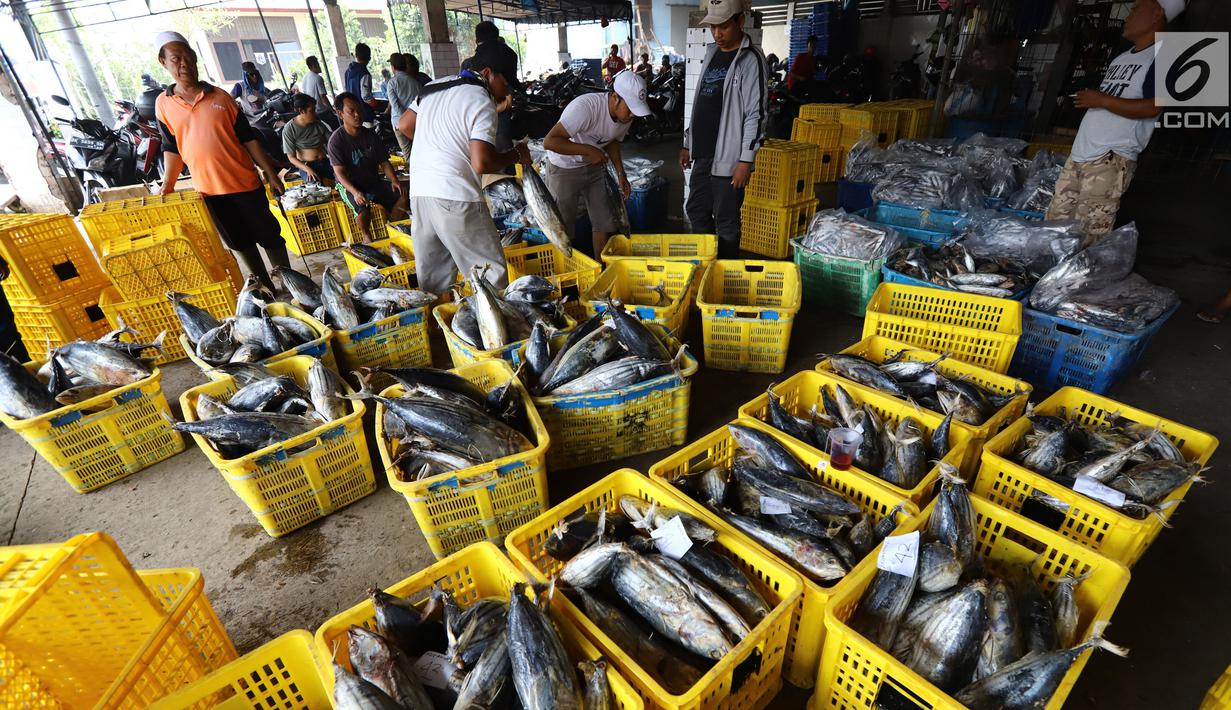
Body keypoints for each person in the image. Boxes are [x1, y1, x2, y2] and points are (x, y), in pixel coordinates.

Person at [153, 31, 291, 292]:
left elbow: (248, 139)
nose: (183, 63)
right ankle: (265, 288)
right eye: (175, 59)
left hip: (244, 182)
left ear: (195, 59)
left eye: (187, 57)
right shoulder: (163, 104)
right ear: (164, 63)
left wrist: (271, 173)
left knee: (269, 234)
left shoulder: (220, 97)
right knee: (238, 242)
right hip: (209, 191)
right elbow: (171, 147)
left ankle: (289, 282)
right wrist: (167, 184)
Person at [397, 42, 530, 296]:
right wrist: (516, 154)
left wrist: (436, 147)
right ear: (489, 73)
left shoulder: (436, 85)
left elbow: (404, 125)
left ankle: (440, 331)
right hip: (456, 197)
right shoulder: (482, 99)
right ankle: (493, 335)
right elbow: (481, 162)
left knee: (433, 282)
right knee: (490, 277)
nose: (507, 89)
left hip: (421, 193)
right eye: (507, 81)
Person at [1045, 0, 1181, 241]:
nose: (1128, 17)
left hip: (1110, 159)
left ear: (1157, 13)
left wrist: (1102, 100)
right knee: (1054, 229)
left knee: (1088, 236)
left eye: (1136, 9)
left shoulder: (1165, 55)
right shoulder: (1121, 58)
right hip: (1082, 154)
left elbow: (1153, 106)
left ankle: (1082, 279)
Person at [680, 0, 768, 258]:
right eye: (713, 27)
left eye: (723, 26)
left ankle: (726, 273)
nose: (717, 33)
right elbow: (701, 103)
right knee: (696, 209)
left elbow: (757, 114)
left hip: (730, 159)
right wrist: (688, 142)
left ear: (740, 22)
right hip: (703, 153)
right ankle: (708, 264)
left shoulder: (751, 60)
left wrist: (745, 160)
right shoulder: (711, 53)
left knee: (727, 220)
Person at [543, 70, 650, 256]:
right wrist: (587, 150)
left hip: (594, 167)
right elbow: (550, 141)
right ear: (615, 97)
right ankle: (564, 273)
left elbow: (613, 141)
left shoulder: (625, 116)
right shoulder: (585, 108)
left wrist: (620, 173)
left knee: (604, 220)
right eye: (630, 108)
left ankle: (600, 268)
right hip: (564, 168)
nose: (633, 114)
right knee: (562, 225)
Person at [328, 92, 408, 243]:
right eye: (351, 111)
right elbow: (339, 173)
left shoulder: (371, 135)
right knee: (363, 208)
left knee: (402, 195)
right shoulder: (336, 140)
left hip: (372, 181)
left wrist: (394, 181)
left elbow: (384, 162)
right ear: (340, 114)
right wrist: (355, 192)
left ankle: (391, 230)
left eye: (359, 109)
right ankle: (366, 235)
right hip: (349, 185)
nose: (357, 114)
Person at [282, 93, 334, 185]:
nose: (315, 113)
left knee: (345, 177)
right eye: (312, 111)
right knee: (316, 187)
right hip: (307, 165)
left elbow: (332, 143)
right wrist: (308, 169)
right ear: (301, 111)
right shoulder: (289, 129)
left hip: (325, 162)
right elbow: (291, 157)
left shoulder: (318, 124)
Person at [385, 52, 421, 157]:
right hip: (415, 123)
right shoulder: (416, 83)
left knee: (408, 155)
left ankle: (414, 173)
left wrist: (404, 119)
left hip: (399, 124)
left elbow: (394, 105)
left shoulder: (392, 83)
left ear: (393, 67)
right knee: (418, 151)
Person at [345, 42, 376, 123]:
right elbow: (366, 96)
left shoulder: (347, 72)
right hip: (364, 114)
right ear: (369, 58)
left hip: (353, 115)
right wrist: (376, 104)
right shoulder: (364, 73)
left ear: (356, 55)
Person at [300, 56, 334, 125]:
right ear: (314, 65)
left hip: (312, 111)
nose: (320, 66)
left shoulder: (305, 77)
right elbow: (323, 97)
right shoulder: (318, 78)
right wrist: (332, 110)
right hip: (321, 111)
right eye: (318, 64)